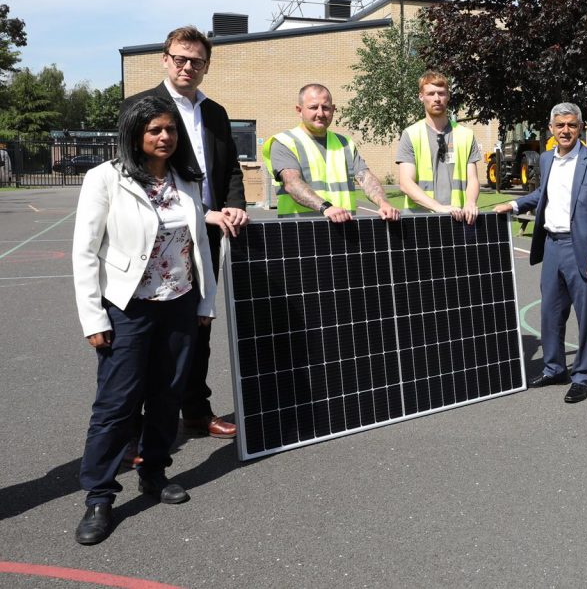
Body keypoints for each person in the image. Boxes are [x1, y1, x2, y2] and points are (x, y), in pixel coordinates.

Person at [71, 95, 217, 545]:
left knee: (167, 395)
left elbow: (199, 245)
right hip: (127, 307)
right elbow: (85, 251)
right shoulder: (106, 179)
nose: (164, 137)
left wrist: (204, 303)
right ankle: (99, 496)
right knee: (116, 404)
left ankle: (154, 472)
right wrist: (93, 317)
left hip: (178, 303)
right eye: (155, 129)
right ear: (136, 133)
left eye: (170, 130)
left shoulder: (186, 180)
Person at [122, 25, 247, 440]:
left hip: (208, 235)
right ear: (165, 59)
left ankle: (195, 411)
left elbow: (229, 168)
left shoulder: (215, 112)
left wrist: (233, 206)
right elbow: (138, 177)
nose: (188, 66)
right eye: (181, 58)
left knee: (199, 324)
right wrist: (200, 212)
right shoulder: (142, 107)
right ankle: (138, 425)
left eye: (197, 61)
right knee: (148, 333)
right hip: (159, 238)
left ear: (206, 66)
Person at [494, 103, 587, 404]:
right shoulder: (547, 158)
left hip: (584, 250)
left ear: (580, 128)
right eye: (560, 125)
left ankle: (583, 376)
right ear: (551, 128)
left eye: (571, 125)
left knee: (586, 316)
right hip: (551, 246)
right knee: (550, 312)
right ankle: (555, 368)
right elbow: (542, 194)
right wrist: (513, 205)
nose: (565, 130)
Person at [263, 84, 400, 221]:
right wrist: (326, 208)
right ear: (299, 110)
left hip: (345, 229)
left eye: (326, 107)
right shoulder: (284, 142)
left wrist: (384, 203)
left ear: (333, 109)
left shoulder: (344, 143)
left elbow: (365, 178)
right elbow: (292, 183)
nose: (320, 113)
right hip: (300, 232)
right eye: (313, 107)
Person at [396, 71, 481, 224]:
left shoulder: (466, 135)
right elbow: (405, 183)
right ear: (421, 96)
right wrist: (438, 207)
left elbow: (473, 179)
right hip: (419, 220)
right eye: (430, 93)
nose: (436, 99)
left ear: (448, 96)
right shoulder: (410, 134)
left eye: (441, 93)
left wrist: (470, 202)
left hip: (458, 218)